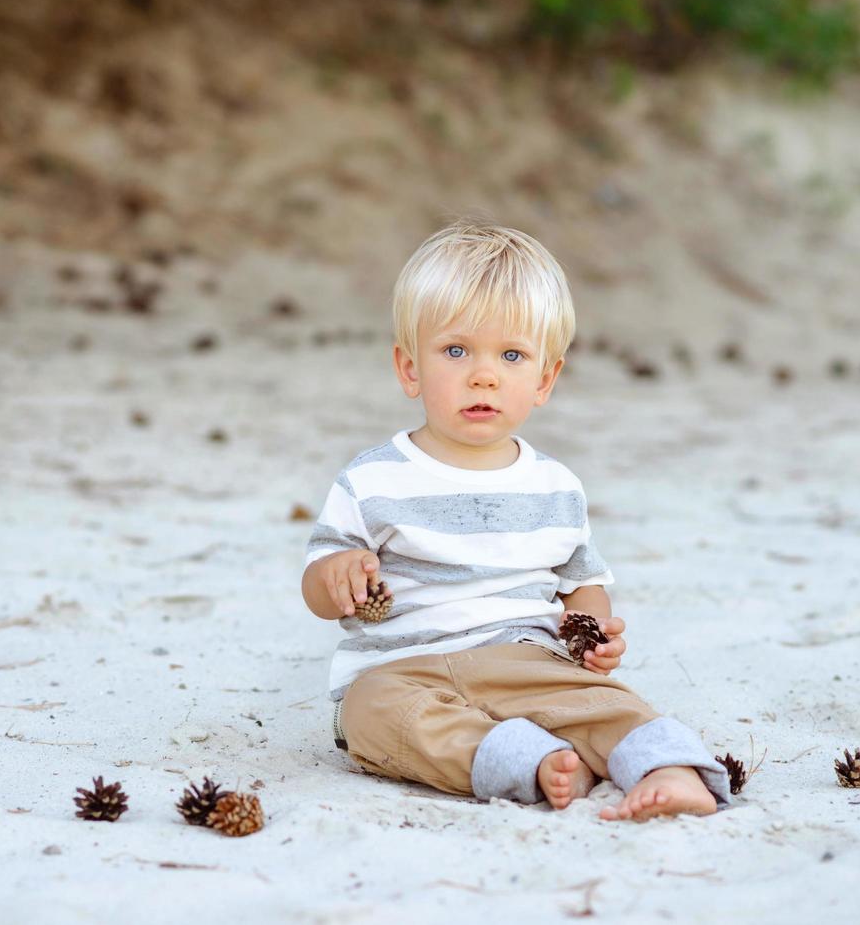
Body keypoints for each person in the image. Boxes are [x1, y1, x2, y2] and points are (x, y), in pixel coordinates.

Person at [300, 218, 731, 820]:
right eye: (456, 350)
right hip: (402, 669)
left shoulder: (555, 486)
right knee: (372, 717)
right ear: (409, 369)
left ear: (545, 379)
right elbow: (318, 586)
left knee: (602, 702)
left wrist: (591, 634)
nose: (484, 374)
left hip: (525, 659)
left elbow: (583, 583)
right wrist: (336, 574)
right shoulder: (371, 479)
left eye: (511, 355)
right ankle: (527, 761)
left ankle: (671, 770)